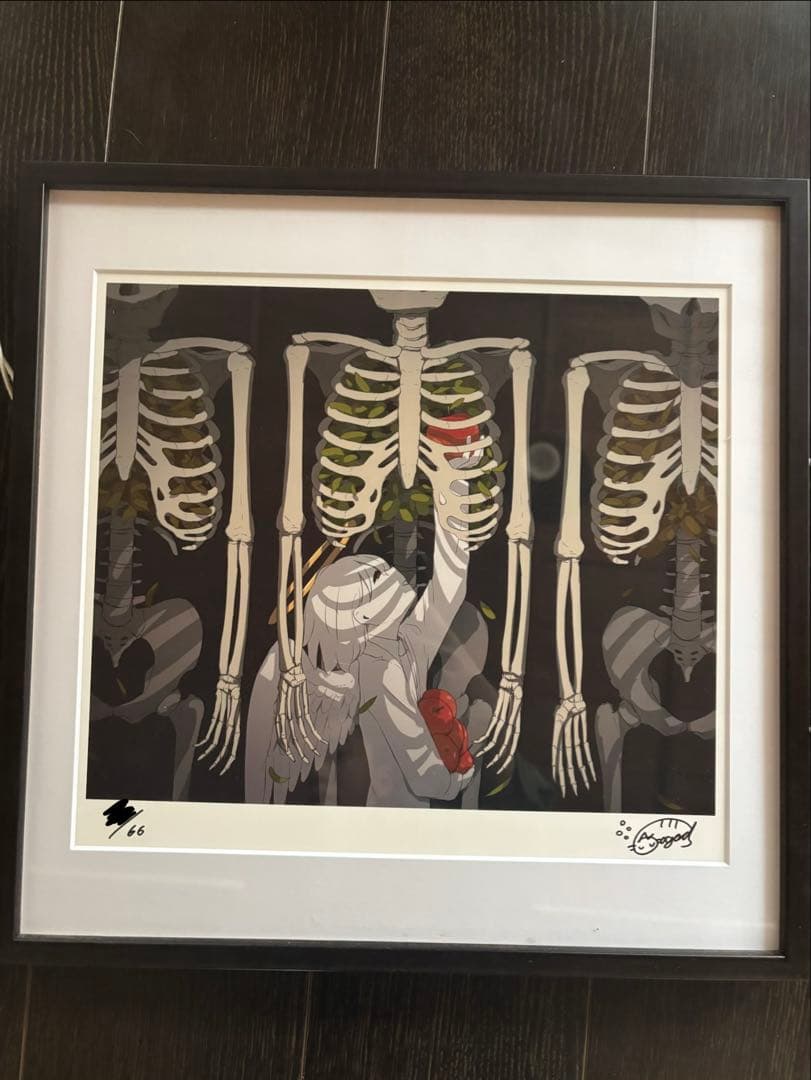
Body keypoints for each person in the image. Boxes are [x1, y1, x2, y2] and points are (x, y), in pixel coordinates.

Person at [245, 509, 476, 807]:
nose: (392, 573)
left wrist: (452, 495)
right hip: (394, 820)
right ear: (362, 614)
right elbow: (424, 772)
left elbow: (449, 587)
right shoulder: (381, 669)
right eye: (377, 576)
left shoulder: (404, 645)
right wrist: (460, 778)